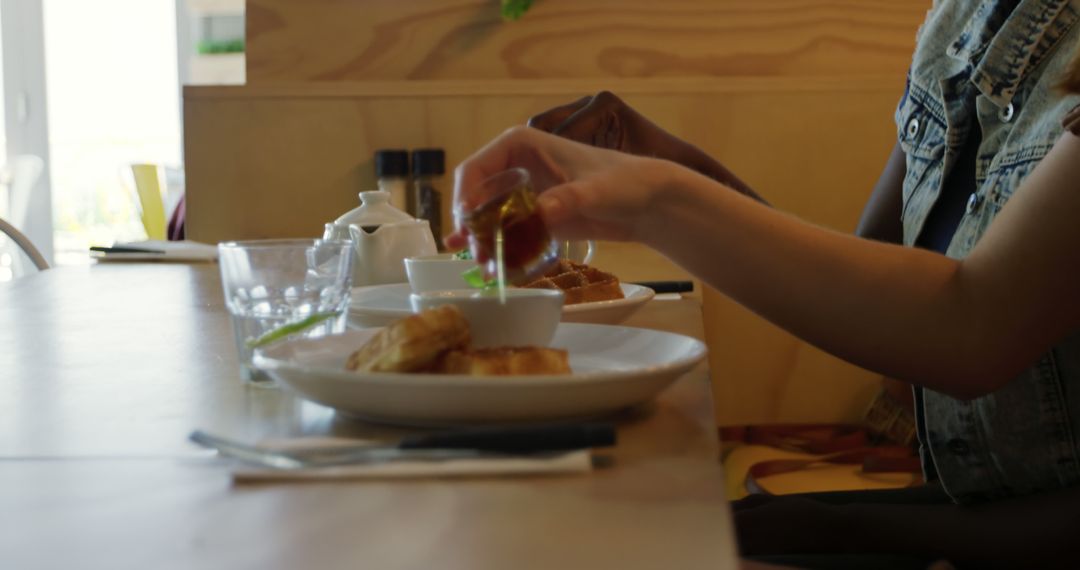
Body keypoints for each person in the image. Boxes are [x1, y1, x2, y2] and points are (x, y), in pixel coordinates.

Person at [446, 2, 1080, 567]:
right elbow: (888, 321)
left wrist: (662, 201)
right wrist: (669, 163)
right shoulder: (966, 16)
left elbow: (970, 328)